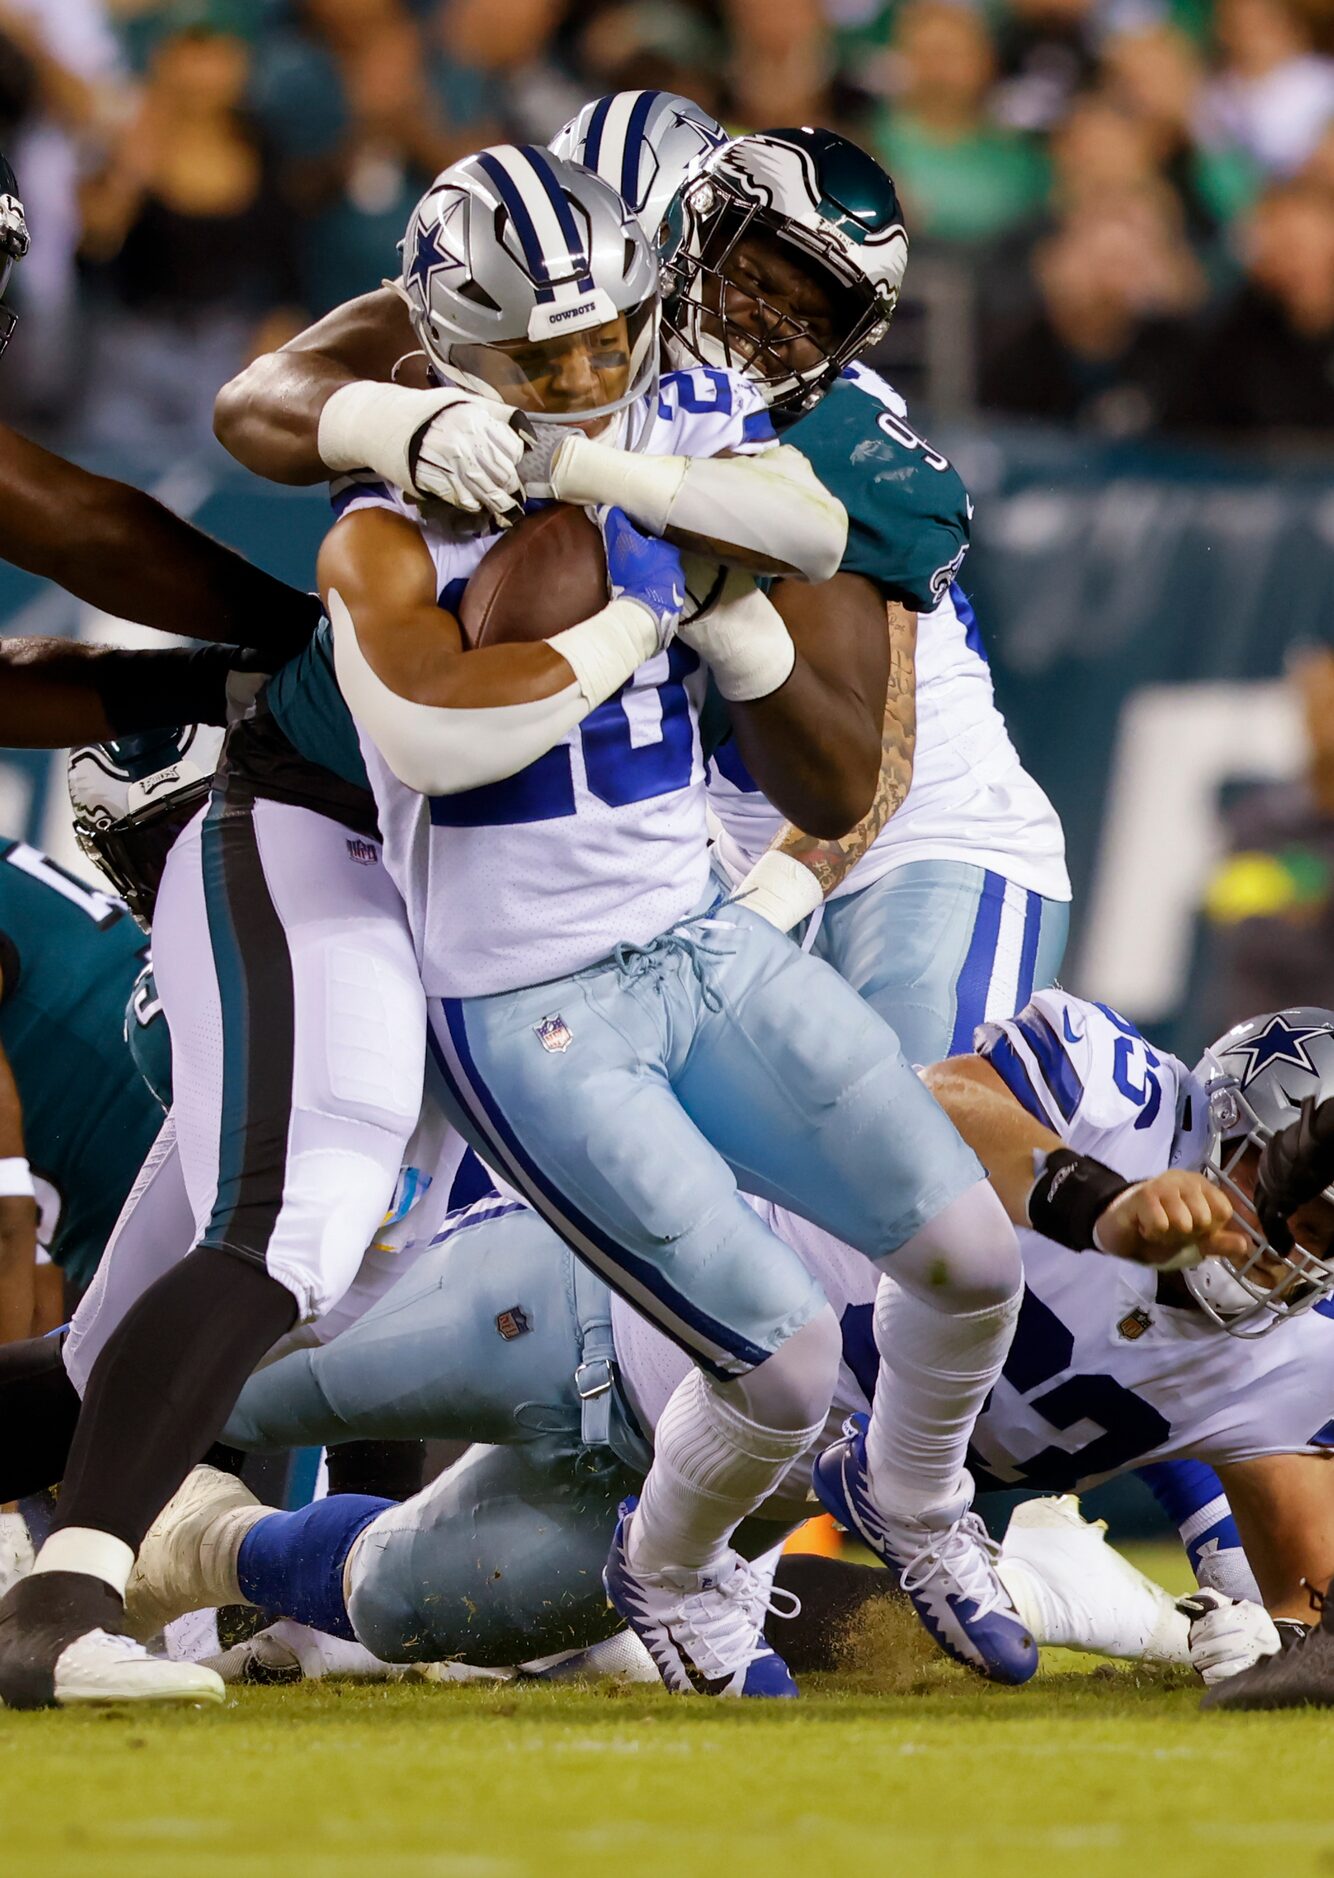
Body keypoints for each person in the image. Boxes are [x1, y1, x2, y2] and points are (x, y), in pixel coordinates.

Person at [119, 993, 1334, 1696]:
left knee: (398, 1606)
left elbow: (1306, 1578)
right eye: (1286, 1197)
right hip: (617, 1297)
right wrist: (1087, 1192)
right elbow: (934, 1103)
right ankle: (56, 1545)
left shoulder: (1292, 1355)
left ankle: (197, 1547)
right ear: (1217, 1122)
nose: (1285, 1248)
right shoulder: (1112, 1094)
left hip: (712, 1513)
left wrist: (1264, 1634)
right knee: (210, 1375)